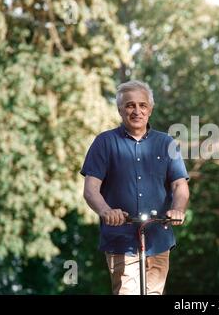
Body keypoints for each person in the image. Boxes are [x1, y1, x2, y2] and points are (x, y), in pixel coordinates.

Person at [80, 80, 190, 295]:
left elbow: (180, 185)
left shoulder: (166, 143)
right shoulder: (105, 142)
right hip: (120, 238)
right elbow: (91, 189)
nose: (137, 111)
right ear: (120, 109)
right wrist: (106, 211)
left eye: (142, 105)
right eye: (130, 105)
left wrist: (178, 209)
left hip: (158, 236)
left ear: (150, 109)